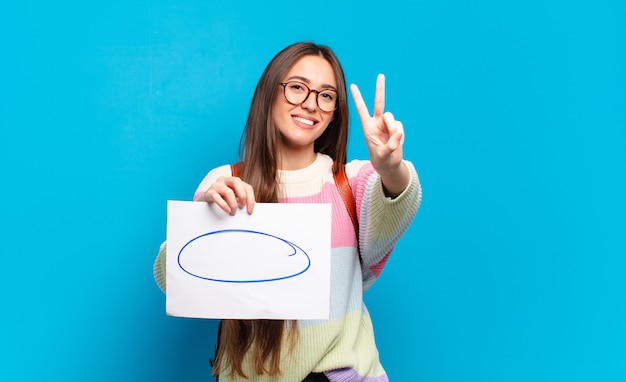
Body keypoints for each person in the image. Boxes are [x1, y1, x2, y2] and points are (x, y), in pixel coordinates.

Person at [153, 41, 422, 381]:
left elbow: (398, 201)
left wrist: (390, 167)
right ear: (270, 92)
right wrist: (206, 222)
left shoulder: (350, 181)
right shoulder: (226, 181)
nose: (310, 104)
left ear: (335, 111)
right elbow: (170, 280)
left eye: (326, 95)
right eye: (297, 88)